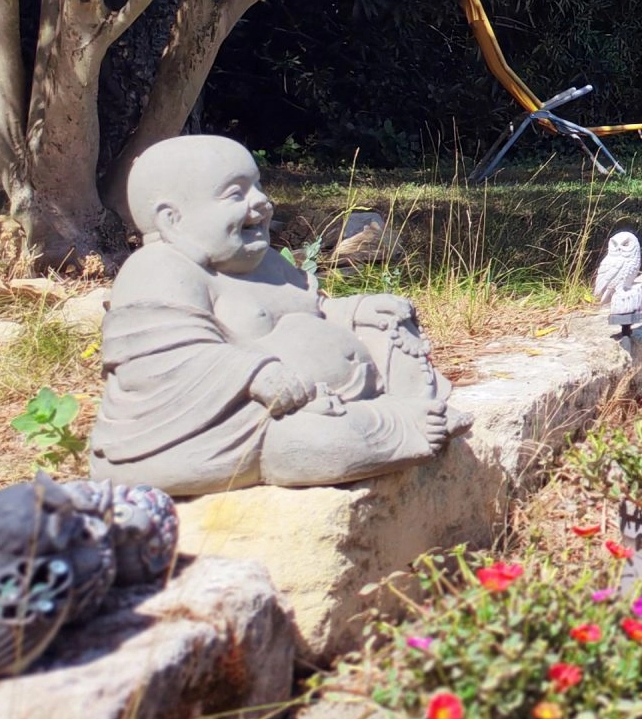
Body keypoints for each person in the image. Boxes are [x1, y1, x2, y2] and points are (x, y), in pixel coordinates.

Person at [87, 136, 468, 495]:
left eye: (257, 186)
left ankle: (411, 404)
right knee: (310, 443)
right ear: (173, 220)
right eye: (236, 194)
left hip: (329, 395)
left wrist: (357, 310)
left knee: (389, 325)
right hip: (231, 428)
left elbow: (312, 311)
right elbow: (162, 361)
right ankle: (403, 425)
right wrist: (255, 373)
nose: (263, 202)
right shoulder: (160, 269)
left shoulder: (267, 262)